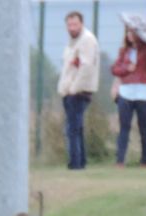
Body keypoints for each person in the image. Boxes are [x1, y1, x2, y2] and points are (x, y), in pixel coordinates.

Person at [111, 28, 146, 167]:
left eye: (133, 32)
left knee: (145, 128)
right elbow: (115, 69)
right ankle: (120, 160)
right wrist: (126, 69)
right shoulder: (124, 51)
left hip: (144, 93)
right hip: (126, 93)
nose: (130, 35)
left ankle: (145, 160)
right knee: (124, 127)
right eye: (128, 32)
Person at [57, 11, 100, 171]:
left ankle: (75, 163)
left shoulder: (87, 40)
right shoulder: (72, 42)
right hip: (69, 90)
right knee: (76, 127)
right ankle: (80, 161)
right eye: (69, 25)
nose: (72, 28)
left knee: (72, 129)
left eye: (75, 24)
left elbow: (86, 66)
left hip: (78, 91)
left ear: (81, 24)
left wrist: (74, 88)